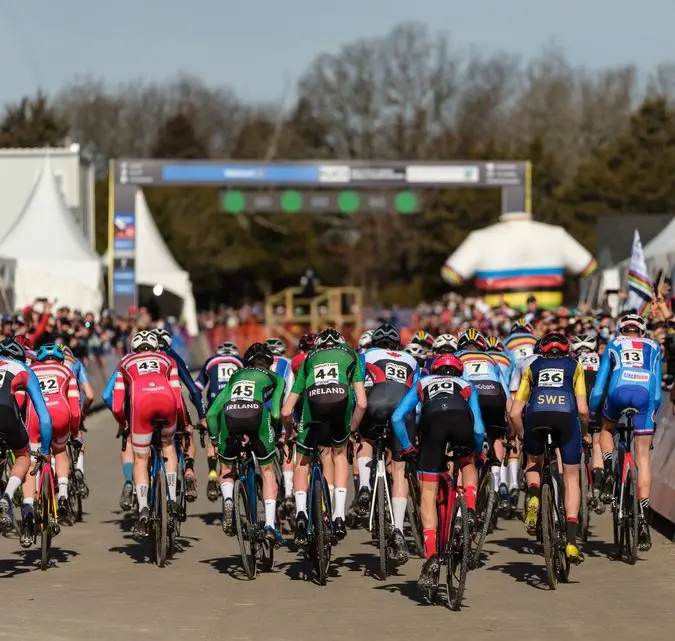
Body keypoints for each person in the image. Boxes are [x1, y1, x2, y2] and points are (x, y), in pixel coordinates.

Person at [391, 354, 484, 589]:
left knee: (428, 494)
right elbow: (479, 428)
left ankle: (431, 555)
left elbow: (397, 417)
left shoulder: (423, 383)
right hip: (461, 421)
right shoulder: (466, 385)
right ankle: (470, 510)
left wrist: (407, 447)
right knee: (467, 465)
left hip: (432, 423)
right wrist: (477, 449)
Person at [509, 332, 589, 564]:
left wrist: (523, 436)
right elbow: (583, 409)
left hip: (536, 416)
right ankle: (572, 542)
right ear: (566, 350)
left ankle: (534, 496)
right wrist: (584, 432)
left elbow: (515, 412)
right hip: (566, 417)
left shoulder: (532, 367)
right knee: (571, 478)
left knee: (533, 463)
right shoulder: (575, 366)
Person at [281, 328, 367, 544]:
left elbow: (285, 411)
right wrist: (353, 429)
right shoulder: (350, 354)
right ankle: (338, 516)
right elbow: (363, 403)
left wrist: (291, 433)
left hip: (313, 406)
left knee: (303, 460)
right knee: (339, 456)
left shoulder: (309, 358)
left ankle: (301, 514)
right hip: (341, 404)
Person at [589, 313, 662, 551]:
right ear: (642, 331)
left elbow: (599, 387)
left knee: (607, 430)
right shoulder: (654, 346)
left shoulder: (614, 344)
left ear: (622, 331)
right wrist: (653, 414)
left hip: (618, 391)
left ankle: (609, 470)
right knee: (642, 458)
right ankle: (642, 519)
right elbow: (658, 391)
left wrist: (593, 413)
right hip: (645, 396)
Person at [107, 330, 187, 539]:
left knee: (141, 458)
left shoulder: (125, 362)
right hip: (167, 402)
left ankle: (143, 509)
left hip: (141, 406)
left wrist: (124, 424)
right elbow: (178, 399)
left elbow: (116, 405)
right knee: (168, 444)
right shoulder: (167, 359)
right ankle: (171, 497)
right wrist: (184, 425)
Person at [206, 343, 285, 546]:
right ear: (269, 363)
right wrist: (275, 434)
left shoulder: (236, 376)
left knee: (226, 468)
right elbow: (276, 413)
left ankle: (229, 500)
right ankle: (269, 525)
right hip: (257, 415)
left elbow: (213, 412)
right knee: (267, 469)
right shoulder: (275, 378)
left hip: (230, 415)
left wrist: (215, 440)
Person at [356, 323, 420, 563]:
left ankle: (363, 487)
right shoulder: (411, 359)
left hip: (374, 404)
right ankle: (398, 530)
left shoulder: (366, 355)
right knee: (400, 467)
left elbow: (357, 389)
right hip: (403, 412)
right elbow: (418, 393)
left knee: (366, 439)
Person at [21, 343, 81, 531]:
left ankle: (29, 507)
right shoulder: (66, 370)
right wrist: (75, 432)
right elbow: (76, 410)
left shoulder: (29, 369)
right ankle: (63, 494)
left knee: (31, 463)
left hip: (36, 418)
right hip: (61, 415)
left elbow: (21, 402)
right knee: (60, 452)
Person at [0, 339, 53, 532]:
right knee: (23, 455)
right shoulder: (23, 368)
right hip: (5, 412)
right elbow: (44, 417)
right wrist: (45, 449)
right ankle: (7, 495)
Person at [456, 329, 512, 507]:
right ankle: (496, 480)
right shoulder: (491, 359)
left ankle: (463, 485)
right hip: (494, 394)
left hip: (471, 395)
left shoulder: (457, 357)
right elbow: (507, 394)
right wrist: (510, 430)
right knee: (495, 434)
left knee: (465, 444)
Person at [155, 328, 205, 502]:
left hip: (144, 404)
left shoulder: (142, 356)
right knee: (187, 433)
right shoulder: (172, 356)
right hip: (173, 403)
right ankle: (189, 470)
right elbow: (193, 389)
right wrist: (202, 416)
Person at [195, 342, 243, 501]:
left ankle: (212, 472)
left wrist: (202, 412)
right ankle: (239, 467)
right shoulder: (240, 361)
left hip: (214, 404)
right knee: (241, 435)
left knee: (213, 439)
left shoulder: (210, 361)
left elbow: (196, 389)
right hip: (237, 404)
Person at [571, 332, 604, 510]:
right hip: (598, 401)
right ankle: (597, 486)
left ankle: (573, 481)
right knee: (598, 442)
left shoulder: (572, 361)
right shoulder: (600, 358)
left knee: (576, 440)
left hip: (579, 399)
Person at [265, 337, 295, 507]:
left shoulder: (260, 364)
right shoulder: (288, 362)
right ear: (283, 352)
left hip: (262, 405)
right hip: (283, 404)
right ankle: (289, 491)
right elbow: (291, 387)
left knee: (264, 443)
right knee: (287, 444)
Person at [62, 345, 94, 499]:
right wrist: (83, 412)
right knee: (78, 438)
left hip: (53, 407)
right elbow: (90, 395)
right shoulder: (76, 363)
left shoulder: (44, 366)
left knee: (55, 444)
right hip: (73, 406)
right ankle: (79, 468)